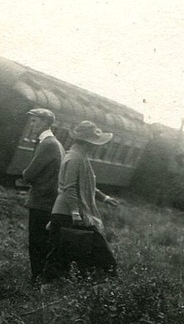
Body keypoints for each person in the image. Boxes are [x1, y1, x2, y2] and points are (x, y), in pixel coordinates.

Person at [43, 121, 121, 280]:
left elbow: (86, 185)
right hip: (68, 213)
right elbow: (70, 188)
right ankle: (47, 286)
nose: (96, 147)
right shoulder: (74, 158)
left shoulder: (80, 157)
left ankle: (53, 285)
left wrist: (105, 198)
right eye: (94, 143)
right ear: (86, 143)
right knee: (97, 254)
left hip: (68, 213)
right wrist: (75, 214)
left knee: (63, 254)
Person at [19, 108, 65, 282]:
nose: (31, 125)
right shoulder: (56, 143)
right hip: (49, 201)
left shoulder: (47, 144)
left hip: (42, 202)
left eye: (34, 121)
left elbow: (30, 174)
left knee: (37, 243)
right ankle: (43, 280)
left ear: (45, 122)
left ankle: (37, 280)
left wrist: (25, 175)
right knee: (44, 243)